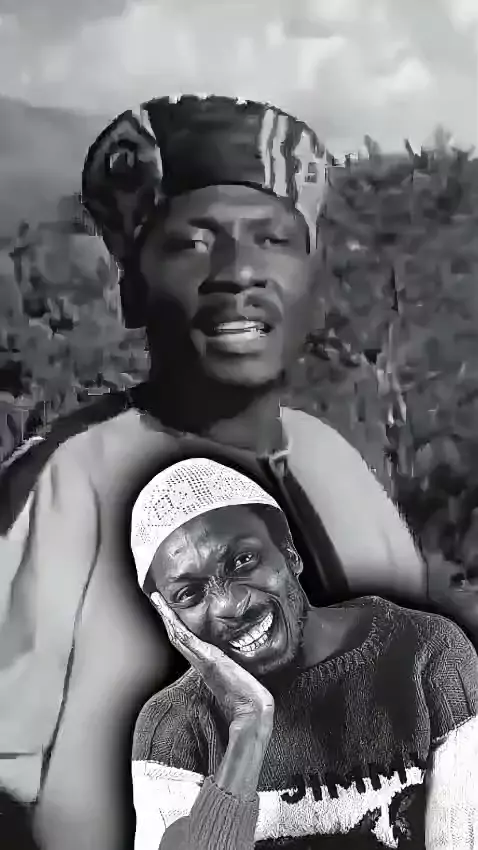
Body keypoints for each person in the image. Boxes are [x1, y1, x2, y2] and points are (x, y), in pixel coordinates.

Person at [0, 95, 424, 850]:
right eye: (192, 243)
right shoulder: (63, 479)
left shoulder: (336, 464)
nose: (239, 272)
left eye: (273, 239)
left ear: (312, 282)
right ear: (133, 286)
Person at [131, 458, 478, 850]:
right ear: (169, 618)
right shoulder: (174, 724)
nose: (230, 605)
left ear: (288, 552)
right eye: (189, 594)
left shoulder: (428, 653)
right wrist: (248, 726)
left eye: (243, 561)